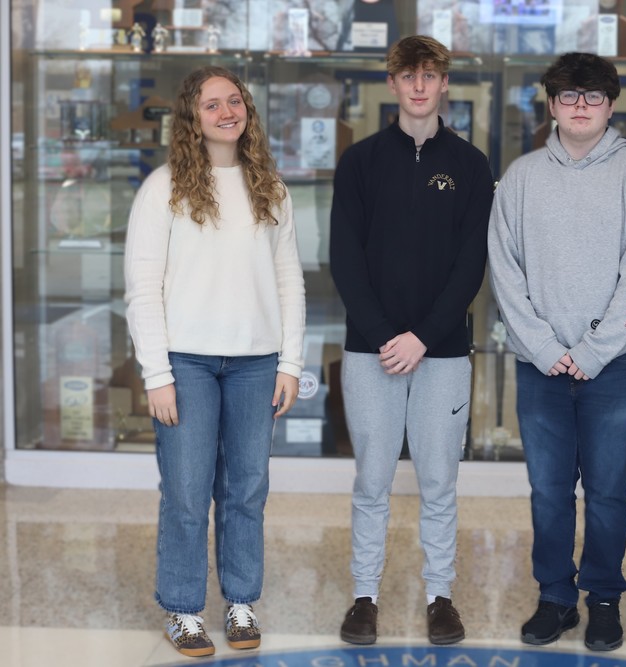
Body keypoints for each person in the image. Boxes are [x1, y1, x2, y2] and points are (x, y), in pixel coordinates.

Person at [488, 52, 626, 652]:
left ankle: (605, 599)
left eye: (593, 97)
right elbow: (503, 268)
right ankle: (556, 598)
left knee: (610, 488)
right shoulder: (520, 178)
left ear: (611, 105)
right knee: (548, 490)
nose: (581, 106)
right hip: (540, 367)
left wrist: (593, 350)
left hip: (613, 366)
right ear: (552, 104)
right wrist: (543, 345)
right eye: (569, 96)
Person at [123, 66, 306, 658]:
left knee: (247, 489)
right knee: (186, 491)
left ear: (246, 109)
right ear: (191, 117)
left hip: (258, 364)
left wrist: (291, 363)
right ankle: (182, 609)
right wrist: (158, 374)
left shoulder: (270, 188)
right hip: (187, 364)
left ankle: (241, 601)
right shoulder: (164, 187)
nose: (226, 111)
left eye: (234, 101)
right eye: (211, 104)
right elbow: (142, 287)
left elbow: (289, 282)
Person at [328, 35, 493, 646]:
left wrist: (422, 337)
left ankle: (439, 597)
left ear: (444, 83)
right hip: (370, 352)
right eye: (408, 76)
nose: (420, 86)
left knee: (438, 482)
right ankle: (364, 596)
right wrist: (382, 337)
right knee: (372, 479)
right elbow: (344, 260)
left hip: (443, 352)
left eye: (431, 75)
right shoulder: (360, 162)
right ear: (392, 84)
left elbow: (471, 265)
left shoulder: (471, 166)